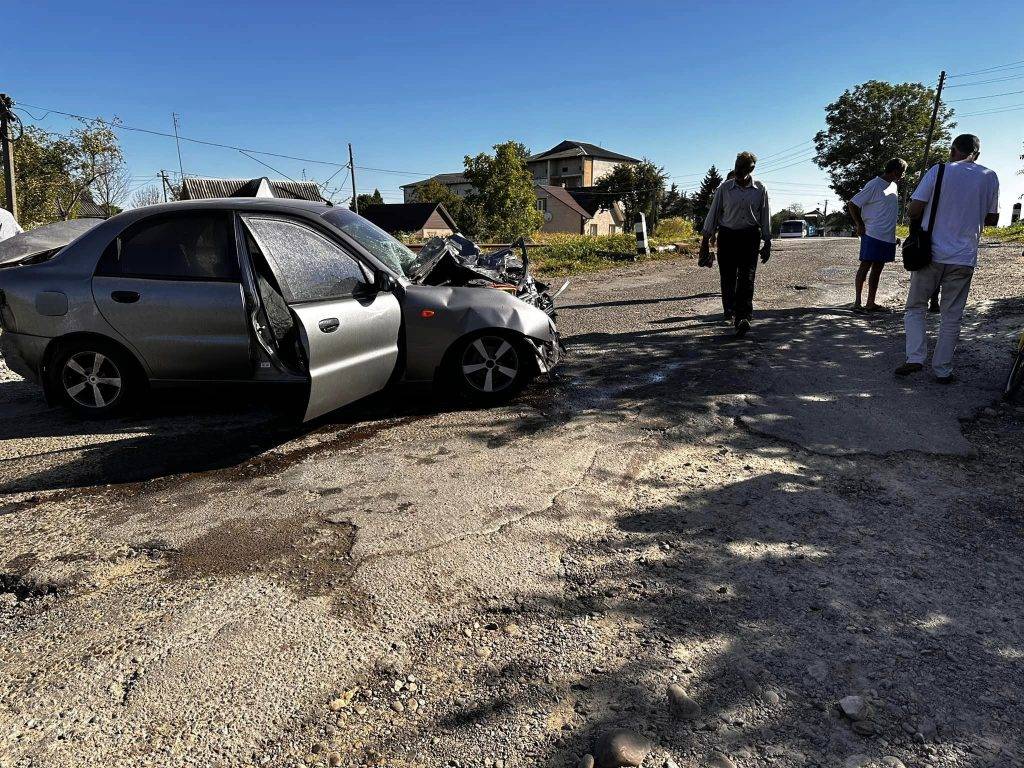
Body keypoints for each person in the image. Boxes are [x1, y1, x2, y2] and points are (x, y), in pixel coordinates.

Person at [896, 134, 999, 383]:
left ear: (953, 150)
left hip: (930, 253)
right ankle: (942, 370)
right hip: (964, 257)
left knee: (916, 307)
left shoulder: (939, 170)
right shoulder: (990, 176)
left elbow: (914, 209)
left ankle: (915, 358)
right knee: (952, 315)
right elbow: (992, 220)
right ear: (977, 154)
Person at [700, 151, 772, 337]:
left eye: (742, 167)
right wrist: (705, 241)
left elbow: (765, 215)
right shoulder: (724, 188)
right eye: (736, 166)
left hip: (750, 237)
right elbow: (713, 214)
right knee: (728, 277)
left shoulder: (760, 189)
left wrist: (767, 241)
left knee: (747, 277)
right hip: (728, 236)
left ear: (751, 169)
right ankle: (730, 309)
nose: (738, 170)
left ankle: (743, 317)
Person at [847, 158, 907, 313]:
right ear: (895, 171)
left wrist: (893, 235)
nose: (904, 175)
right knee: (865, 266)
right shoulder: (874, 184)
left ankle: (870, 303)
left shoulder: (893, 186)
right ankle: (857, 302)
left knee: (878, 269)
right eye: (903, 171)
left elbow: (886, 211)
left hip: (887, 236)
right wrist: (859, 224)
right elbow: (852, 204)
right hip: (872, 233)